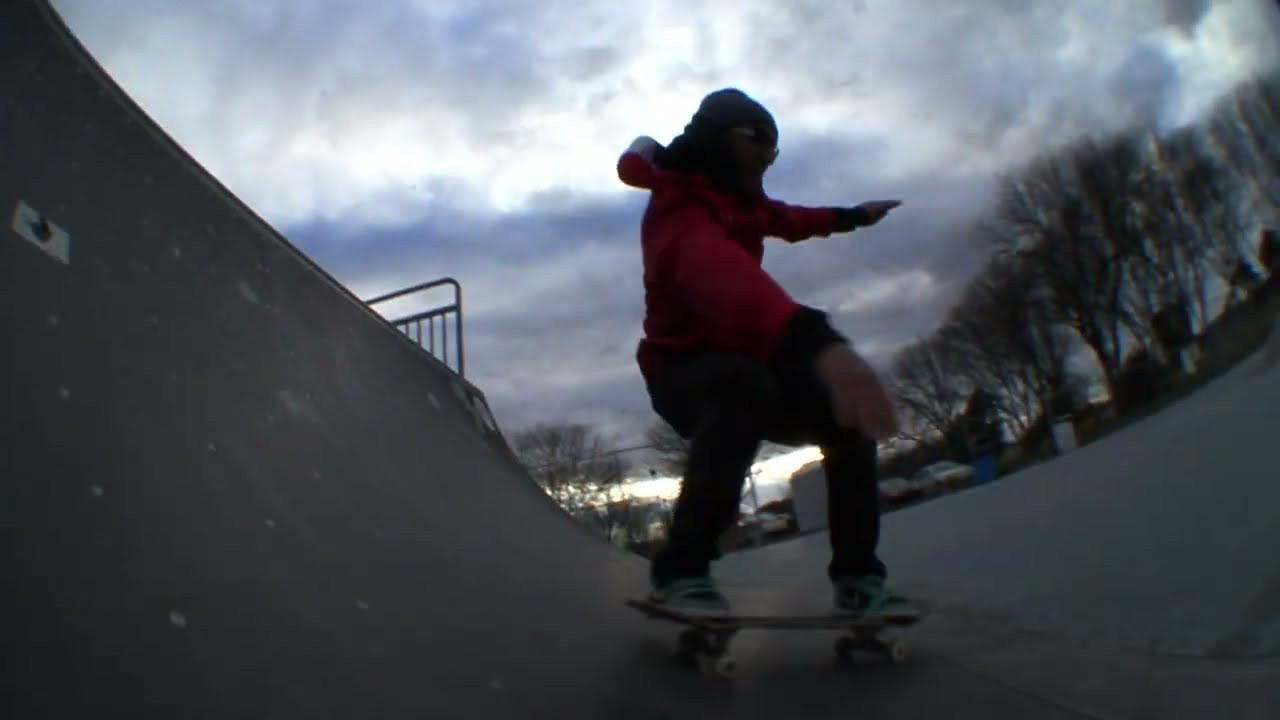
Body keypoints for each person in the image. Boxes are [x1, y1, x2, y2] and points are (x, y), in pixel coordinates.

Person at [617, 87, 916, 619]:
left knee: (842, 416)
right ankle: (681, 570)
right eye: (756, 139)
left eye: (774, 149)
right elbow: (730, 284)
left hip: (754, 362)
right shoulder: (676, 210)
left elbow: (794, 219)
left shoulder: (746, 206)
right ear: (715, 136)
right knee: (743, 384)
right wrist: (822, 344)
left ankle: (858, 578)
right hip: (681, 371)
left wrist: (854, 216)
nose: (766, 156)